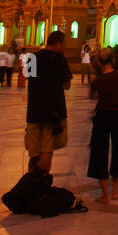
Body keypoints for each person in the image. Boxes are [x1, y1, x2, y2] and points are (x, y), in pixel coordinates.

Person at [24, 31, 73, 173]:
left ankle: (31, 178)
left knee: (34, 150)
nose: (64, 47)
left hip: (34, 109)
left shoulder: (32, 57)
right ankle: (41, 182)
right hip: (53, 111)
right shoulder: (59, 59)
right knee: (47, 148)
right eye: (64, 44)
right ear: (58, 44)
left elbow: (30, 79)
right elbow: (66, 85)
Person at [87, 48, 118, 202]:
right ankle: (115, 191)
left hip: (102, 115)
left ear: (99, 62)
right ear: (113, 60)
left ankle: (105, 194)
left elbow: (91, 96)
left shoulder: (98, 80)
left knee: (100, 151)